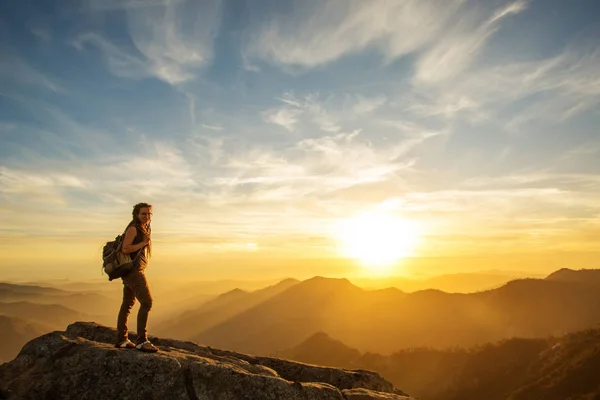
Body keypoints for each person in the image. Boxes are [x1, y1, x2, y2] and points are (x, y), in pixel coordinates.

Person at [115, 202, 158, 353]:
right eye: (143, 214)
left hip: (132, 271)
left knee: (127, 304)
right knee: (147, 302)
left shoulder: (142, 228)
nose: (146, 216)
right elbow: (125, 248)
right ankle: (142, 340)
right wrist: (142, 243)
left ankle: (122, 339)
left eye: (149, 214)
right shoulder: (133, 228)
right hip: (133, 272)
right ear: (136, 214)